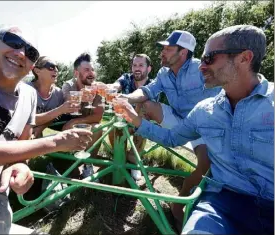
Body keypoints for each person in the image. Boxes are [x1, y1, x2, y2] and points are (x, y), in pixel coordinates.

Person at [120, 25, 274, 234]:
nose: (202, 67)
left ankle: (179, 201)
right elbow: (171, 135)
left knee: (205, 163)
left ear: (244, 58)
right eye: (201, 60)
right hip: (221, 202)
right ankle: (141, 168)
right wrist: (131, 115)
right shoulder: (204, 110)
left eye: (209, 58)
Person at [0, 26, 92, 234]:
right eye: (13, 42)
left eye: (31, 53)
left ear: (31, 65)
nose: (21, 53)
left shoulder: (28, 95)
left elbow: (22, 146)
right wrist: (57, 142)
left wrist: (21, 166)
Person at [119, 30, 221, 226]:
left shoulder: (202, 70)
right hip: (177, 119)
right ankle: (134, 152)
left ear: (183, 52)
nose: (162, 52)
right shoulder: (163, 72)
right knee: (146, 104)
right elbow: (148, 90)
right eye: (163, 48)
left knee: (206, 166)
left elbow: (221, 99)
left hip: (203, 126)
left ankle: (179, 202)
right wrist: (127, 97)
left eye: (167, 48)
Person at [107, 53, 158, 181]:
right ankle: (122, 158)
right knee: (114, 130)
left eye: (141, 65)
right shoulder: (126, 78)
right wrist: (111, 88)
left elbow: (151, 109)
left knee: (143, 121)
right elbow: (117, 84)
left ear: (149, 69)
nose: (137, 68)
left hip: (142, 120)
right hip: (124, 119)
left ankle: (134, 162)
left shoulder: (154, 84)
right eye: (134, 65)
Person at [61, 53, 104, 179]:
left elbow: (98, 116)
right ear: (76, 73)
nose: (91, 73)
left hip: (85, 123)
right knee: (69, 127)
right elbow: (70, 106)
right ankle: (68, 164)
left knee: (98, 127)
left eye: (92, 69)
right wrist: (82, 95)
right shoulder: (68, 85)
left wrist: (75, 122)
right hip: (67, 121)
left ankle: (88, 164)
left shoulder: (97, 87)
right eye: (86, 70)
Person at [27, 56, 79, 138]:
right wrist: (60, 110)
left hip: (36, 132)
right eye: (51, 67)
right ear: (37, 71)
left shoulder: (58, 93)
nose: (56, 70)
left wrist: (42, 126)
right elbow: (26, 119)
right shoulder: (26, 90)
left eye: (57, 67)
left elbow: (55, 116)